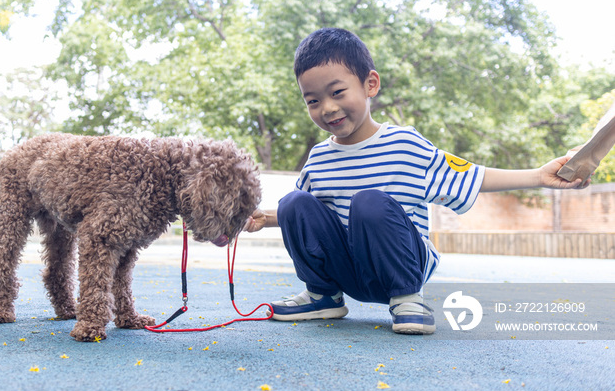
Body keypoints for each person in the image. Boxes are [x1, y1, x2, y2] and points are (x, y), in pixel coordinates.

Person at [243, 27, 588, 335]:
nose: (328, 108)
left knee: (369, 202)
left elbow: (470, 174)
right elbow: (307, 219)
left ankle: (408, 299)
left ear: (370, 85)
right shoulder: (318, 159)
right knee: (293, 201)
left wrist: (538, 176)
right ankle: (322, 296)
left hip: (400, 267)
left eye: (337, 92)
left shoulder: (405, 145)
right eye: (313, 101)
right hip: (349, 271)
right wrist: (266, 217)